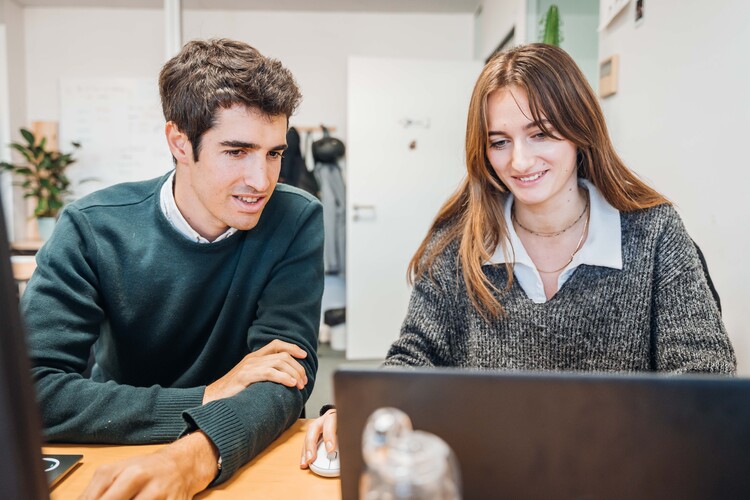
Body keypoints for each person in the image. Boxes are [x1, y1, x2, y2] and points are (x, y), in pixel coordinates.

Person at [300, 43, 735, 468]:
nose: (520, 161)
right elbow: (417, 357)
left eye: (540, 134)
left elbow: (704, 376)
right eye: (500, 141)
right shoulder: (458, 243)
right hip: (491, 473)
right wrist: (361, 409)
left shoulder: (655, 232)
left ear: (580, 129)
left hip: (619, 475)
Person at [22, 38, 324, 498]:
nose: (262, 181)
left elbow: (287, 379)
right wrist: (205, 397)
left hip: (245, 454)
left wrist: (197, 454)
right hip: (119, 451)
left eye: (274, 153)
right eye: (237, 151)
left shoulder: (295, 218)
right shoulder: (92, 227)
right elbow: (31, 394)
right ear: (180, 143)